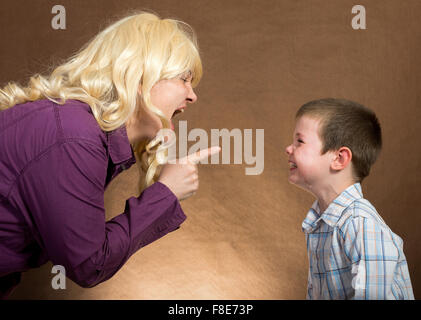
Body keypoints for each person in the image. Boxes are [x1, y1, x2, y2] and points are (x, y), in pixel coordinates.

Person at [0, 11, 220, 299]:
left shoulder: (79, 128)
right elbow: (90, 264)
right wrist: (166, 192)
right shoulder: (73, 139)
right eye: (184, 79)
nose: (192, 96)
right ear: (141, 78)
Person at [285, 98, 414, 300]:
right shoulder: (322, 223)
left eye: (299, 142)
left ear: (339, 159)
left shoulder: (361, 224)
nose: (288, 149)